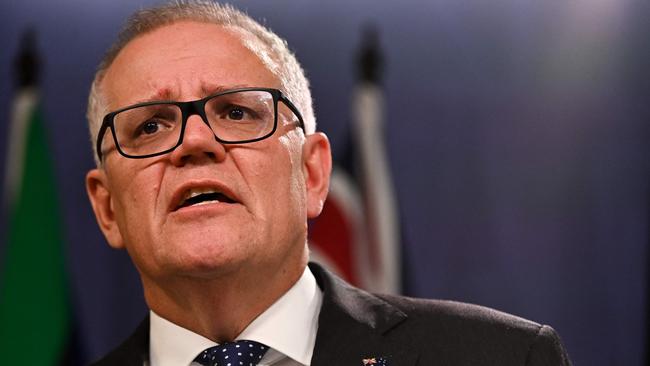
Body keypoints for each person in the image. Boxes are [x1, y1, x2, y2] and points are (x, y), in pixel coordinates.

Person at [84, 1, 572, 365]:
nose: (194, 140)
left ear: (312, 173)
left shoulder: (502, 357)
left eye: (236, 112)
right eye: (150, 126)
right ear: (107, 209)